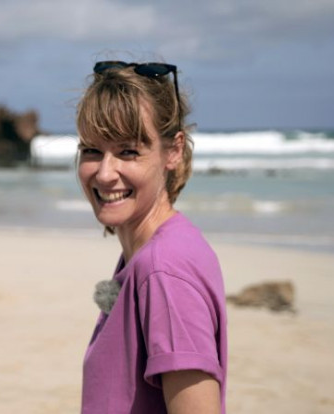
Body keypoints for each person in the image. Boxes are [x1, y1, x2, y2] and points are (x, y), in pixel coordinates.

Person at [76, 60, 227, 414]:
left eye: (128, 151)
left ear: (173, 151)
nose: (105, 173)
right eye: (91, 150)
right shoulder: (149, 253)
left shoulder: (163, 269)